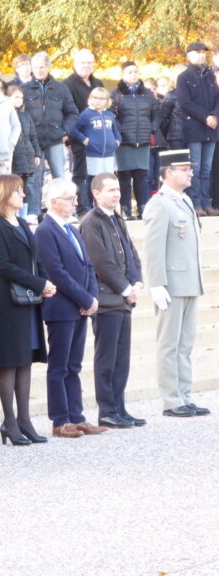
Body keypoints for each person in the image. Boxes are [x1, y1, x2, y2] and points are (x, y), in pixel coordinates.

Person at [0, 175, 54, 445]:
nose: (23, 195)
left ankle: (24, 419)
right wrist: (39, 283)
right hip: (6, 301)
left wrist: (47, 282)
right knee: (10, 361)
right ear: (3, 194)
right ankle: (9, 421)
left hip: (27, 298)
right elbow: (2, 265)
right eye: (18, 191)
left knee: (25, 360)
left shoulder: (22, 223)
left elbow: (34, 259)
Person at [35, 179, 107, 438]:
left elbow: (87, 265)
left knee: (74, 365)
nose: (75, 202)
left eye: (75, 197)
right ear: (53, 202)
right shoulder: (45, 231)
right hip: (61, 307)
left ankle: (77, 416)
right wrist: (84, 299)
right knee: (60, 365)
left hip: (79, 306)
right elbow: (57, 273)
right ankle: (60, 420)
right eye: (69, 198)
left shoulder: (72, 229)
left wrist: (92, 297)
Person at [142, 149, 210, 417]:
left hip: (189, 282)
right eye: (184, 168)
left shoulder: (183, 200)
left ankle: (184, 394)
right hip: (171, 284)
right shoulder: (160, 204)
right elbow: (153, 248)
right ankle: (172, 399)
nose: (191, 172)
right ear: (169, 172)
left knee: (184, 345)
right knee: (169, 345)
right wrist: (156, 284)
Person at [78, 173, 146, 428]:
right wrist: (125, 287)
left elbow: (131, 253)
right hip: (107, 300)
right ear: (96, 193)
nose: (117, 194)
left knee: (122, 359)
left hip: (123, 301)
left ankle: (120, 407)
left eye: (118, 189)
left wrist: (137, 281)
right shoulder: (91, 222)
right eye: (110, 190)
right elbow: (100, 261)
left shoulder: (117, 218)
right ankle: (107, 410)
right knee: (106, 358)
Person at [22, 52, 79, 221]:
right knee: (34, 178)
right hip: (34, 141)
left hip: (55, 139)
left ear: (48, 67)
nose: (38, 70)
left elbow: (72, 112)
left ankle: (66, 212)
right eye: (35, 67)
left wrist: (63, 131)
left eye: (41, 67)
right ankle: (34, 212)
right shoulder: (25, 89)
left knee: (60, 177)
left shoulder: (61, 88)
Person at [110, 61, 160, 220]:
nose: (133, 74)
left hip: (143, 140)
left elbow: (157, 114)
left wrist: (151, 128)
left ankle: (143, 207)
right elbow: (112, 115)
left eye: (135, 71)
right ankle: (125, 209)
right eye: (130, 72)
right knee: (124, 176)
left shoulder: (147, 94)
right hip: (124, 141)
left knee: (141, 176)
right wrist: (120, 130)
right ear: (123, 74)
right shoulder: (116, 94)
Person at [176, 42, 219, 216]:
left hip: (211, 129)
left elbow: (218, 98)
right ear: (189, 55)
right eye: (197, 52)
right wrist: (205, 117)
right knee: (196, 168)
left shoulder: (210, 76)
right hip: (195, 128)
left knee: (207, 169)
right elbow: (185, 103)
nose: (201, 55)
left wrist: (215, 115)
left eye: (203, 53)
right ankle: (195, 204)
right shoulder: (184, 77)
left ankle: (205, 202)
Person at [64, 49, 104, 216]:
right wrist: (76, 135)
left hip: (99, 137)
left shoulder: (98, 84)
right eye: (83, 62)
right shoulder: (68, 84)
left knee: (98, 174)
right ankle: (82, 208)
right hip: (79, 136)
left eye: (89, 63)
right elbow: (68, 113)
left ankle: (98, 206)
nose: (86, 66)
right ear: (75, 64)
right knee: (81, 174)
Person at [71, 87, 121, 187]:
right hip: (93, 153)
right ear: (90, 99)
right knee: (94, 180)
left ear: (107, 100)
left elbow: (115, 130)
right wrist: (83, 138)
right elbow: (73, 129)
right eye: (95, 98)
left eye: (102, 99)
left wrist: (118, 141)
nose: (98, 101)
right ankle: (91, 202)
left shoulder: (109, 114)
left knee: (108, 179)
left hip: (109, 154)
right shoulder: (86, 114)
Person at [8, 85, 41, 191]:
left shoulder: (26, 116)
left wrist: (37, 154)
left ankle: (24, 208)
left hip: (27, 155)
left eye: (21, 97)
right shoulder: (5, 115)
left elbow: (33, 136)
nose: (19, 100)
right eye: (16, 97)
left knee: (24, 188)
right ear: (8, 98)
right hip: (13, 156)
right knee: (13, 186)